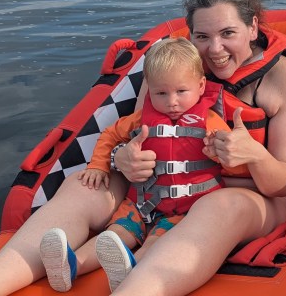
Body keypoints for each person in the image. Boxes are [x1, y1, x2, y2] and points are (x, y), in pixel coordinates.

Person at [0, 0, 286, 296]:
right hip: (158, 190)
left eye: (228, 34)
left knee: (220, 205)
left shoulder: (282, 80)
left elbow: (285, 182)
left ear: (253, 28)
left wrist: (252, 155)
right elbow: (134, 133)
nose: (214, 49)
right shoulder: (174, 71)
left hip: (247, 197)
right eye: (202, 36)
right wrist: (126, 159)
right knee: (82, 184)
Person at [40, 37, 231, 292]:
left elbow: (232, 158)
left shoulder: (211, 122)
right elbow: (110, 135)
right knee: (114, 234)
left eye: (181, 92)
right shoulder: (141, 119)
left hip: (186, 209)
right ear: (149, 90)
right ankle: (71, 265)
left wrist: (218, 152)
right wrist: (98, 166)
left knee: (156, 241)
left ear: (200, 86)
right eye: (161, 93)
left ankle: (132, 271)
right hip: (142, 200)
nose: (171, 101)